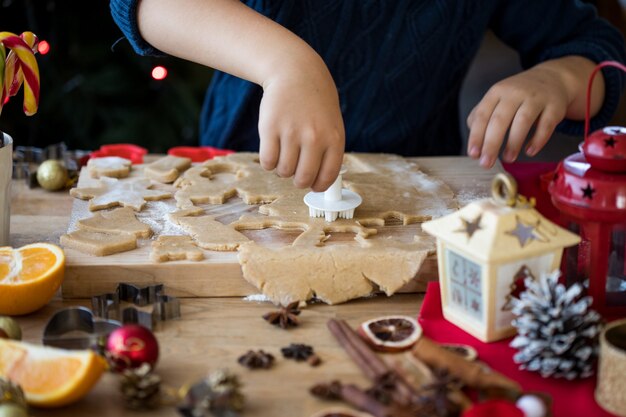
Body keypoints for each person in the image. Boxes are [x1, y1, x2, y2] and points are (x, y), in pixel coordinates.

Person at [110, 0, 626, 191]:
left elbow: (599, 50)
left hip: (418, 192)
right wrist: (287, 64)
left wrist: (558, 78)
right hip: (246, 179)